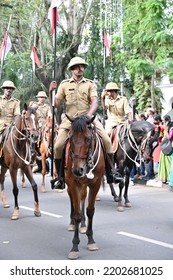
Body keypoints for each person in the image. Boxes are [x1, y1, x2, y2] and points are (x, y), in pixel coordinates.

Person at [49, 56, 122, 189]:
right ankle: (59, 177)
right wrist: (51, 92)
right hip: (70, 120)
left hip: (88, 119)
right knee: (58, 146)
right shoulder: (64, 84)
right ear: (72, 69)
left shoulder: (90, 84)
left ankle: (111, 172)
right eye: (77, 67)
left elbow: (95, 101)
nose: (80, 68)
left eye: (82, 66)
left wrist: (89, 115)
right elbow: (56, 104)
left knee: (106, 140)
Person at [30, 91, 52, 173]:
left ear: (45, 98)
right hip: (35, 124)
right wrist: (30, 106)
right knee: (32, 137)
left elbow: (49, 115)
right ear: (37, 98)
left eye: (43, 97)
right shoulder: (34, 106)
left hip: (45, 124)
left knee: (51, 134)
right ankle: (32, 152)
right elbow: (29, 114)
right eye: (40, 97)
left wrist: (49, 123)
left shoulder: (47, 107)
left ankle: (50, 149)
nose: (42, 99)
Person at [0, 80, 20, 154]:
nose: (8, 90)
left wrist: (15, 125)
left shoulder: (16, 102)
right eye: (7, 88)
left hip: (11, 125)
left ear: (12, 90)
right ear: (3, 89)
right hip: (0, 125)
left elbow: (17, 115)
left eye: (10, 88)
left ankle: (30, 155)